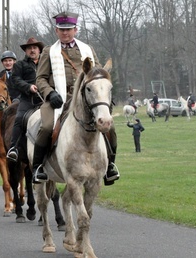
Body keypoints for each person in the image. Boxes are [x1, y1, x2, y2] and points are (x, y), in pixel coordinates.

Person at [32, 11, 120, 185]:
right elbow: (40, 79)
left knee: (110, 127)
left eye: (69, 29)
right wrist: (50, 93)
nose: (66, 33)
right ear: (56, 31)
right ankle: (38, 167)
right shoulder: (49, 52)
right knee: (47, 127)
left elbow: (98, 73)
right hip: (58, 99)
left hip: (84, 100)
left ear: (75, 30)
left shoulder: (87, 49)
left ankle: (110, 166)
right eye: (62, 30)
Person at [6, 37, 45, 162]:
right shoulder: (20, 65)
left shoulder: (46, 64)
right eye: (29, 48)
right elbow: (15, 80)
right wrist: (28, 87)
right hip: (27, 100)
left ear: (39, 50)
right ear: (26, 51)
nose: (32, 50)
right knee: (18, 118)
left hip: (44, 100)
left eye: (34, 48)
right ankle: (13, 148)